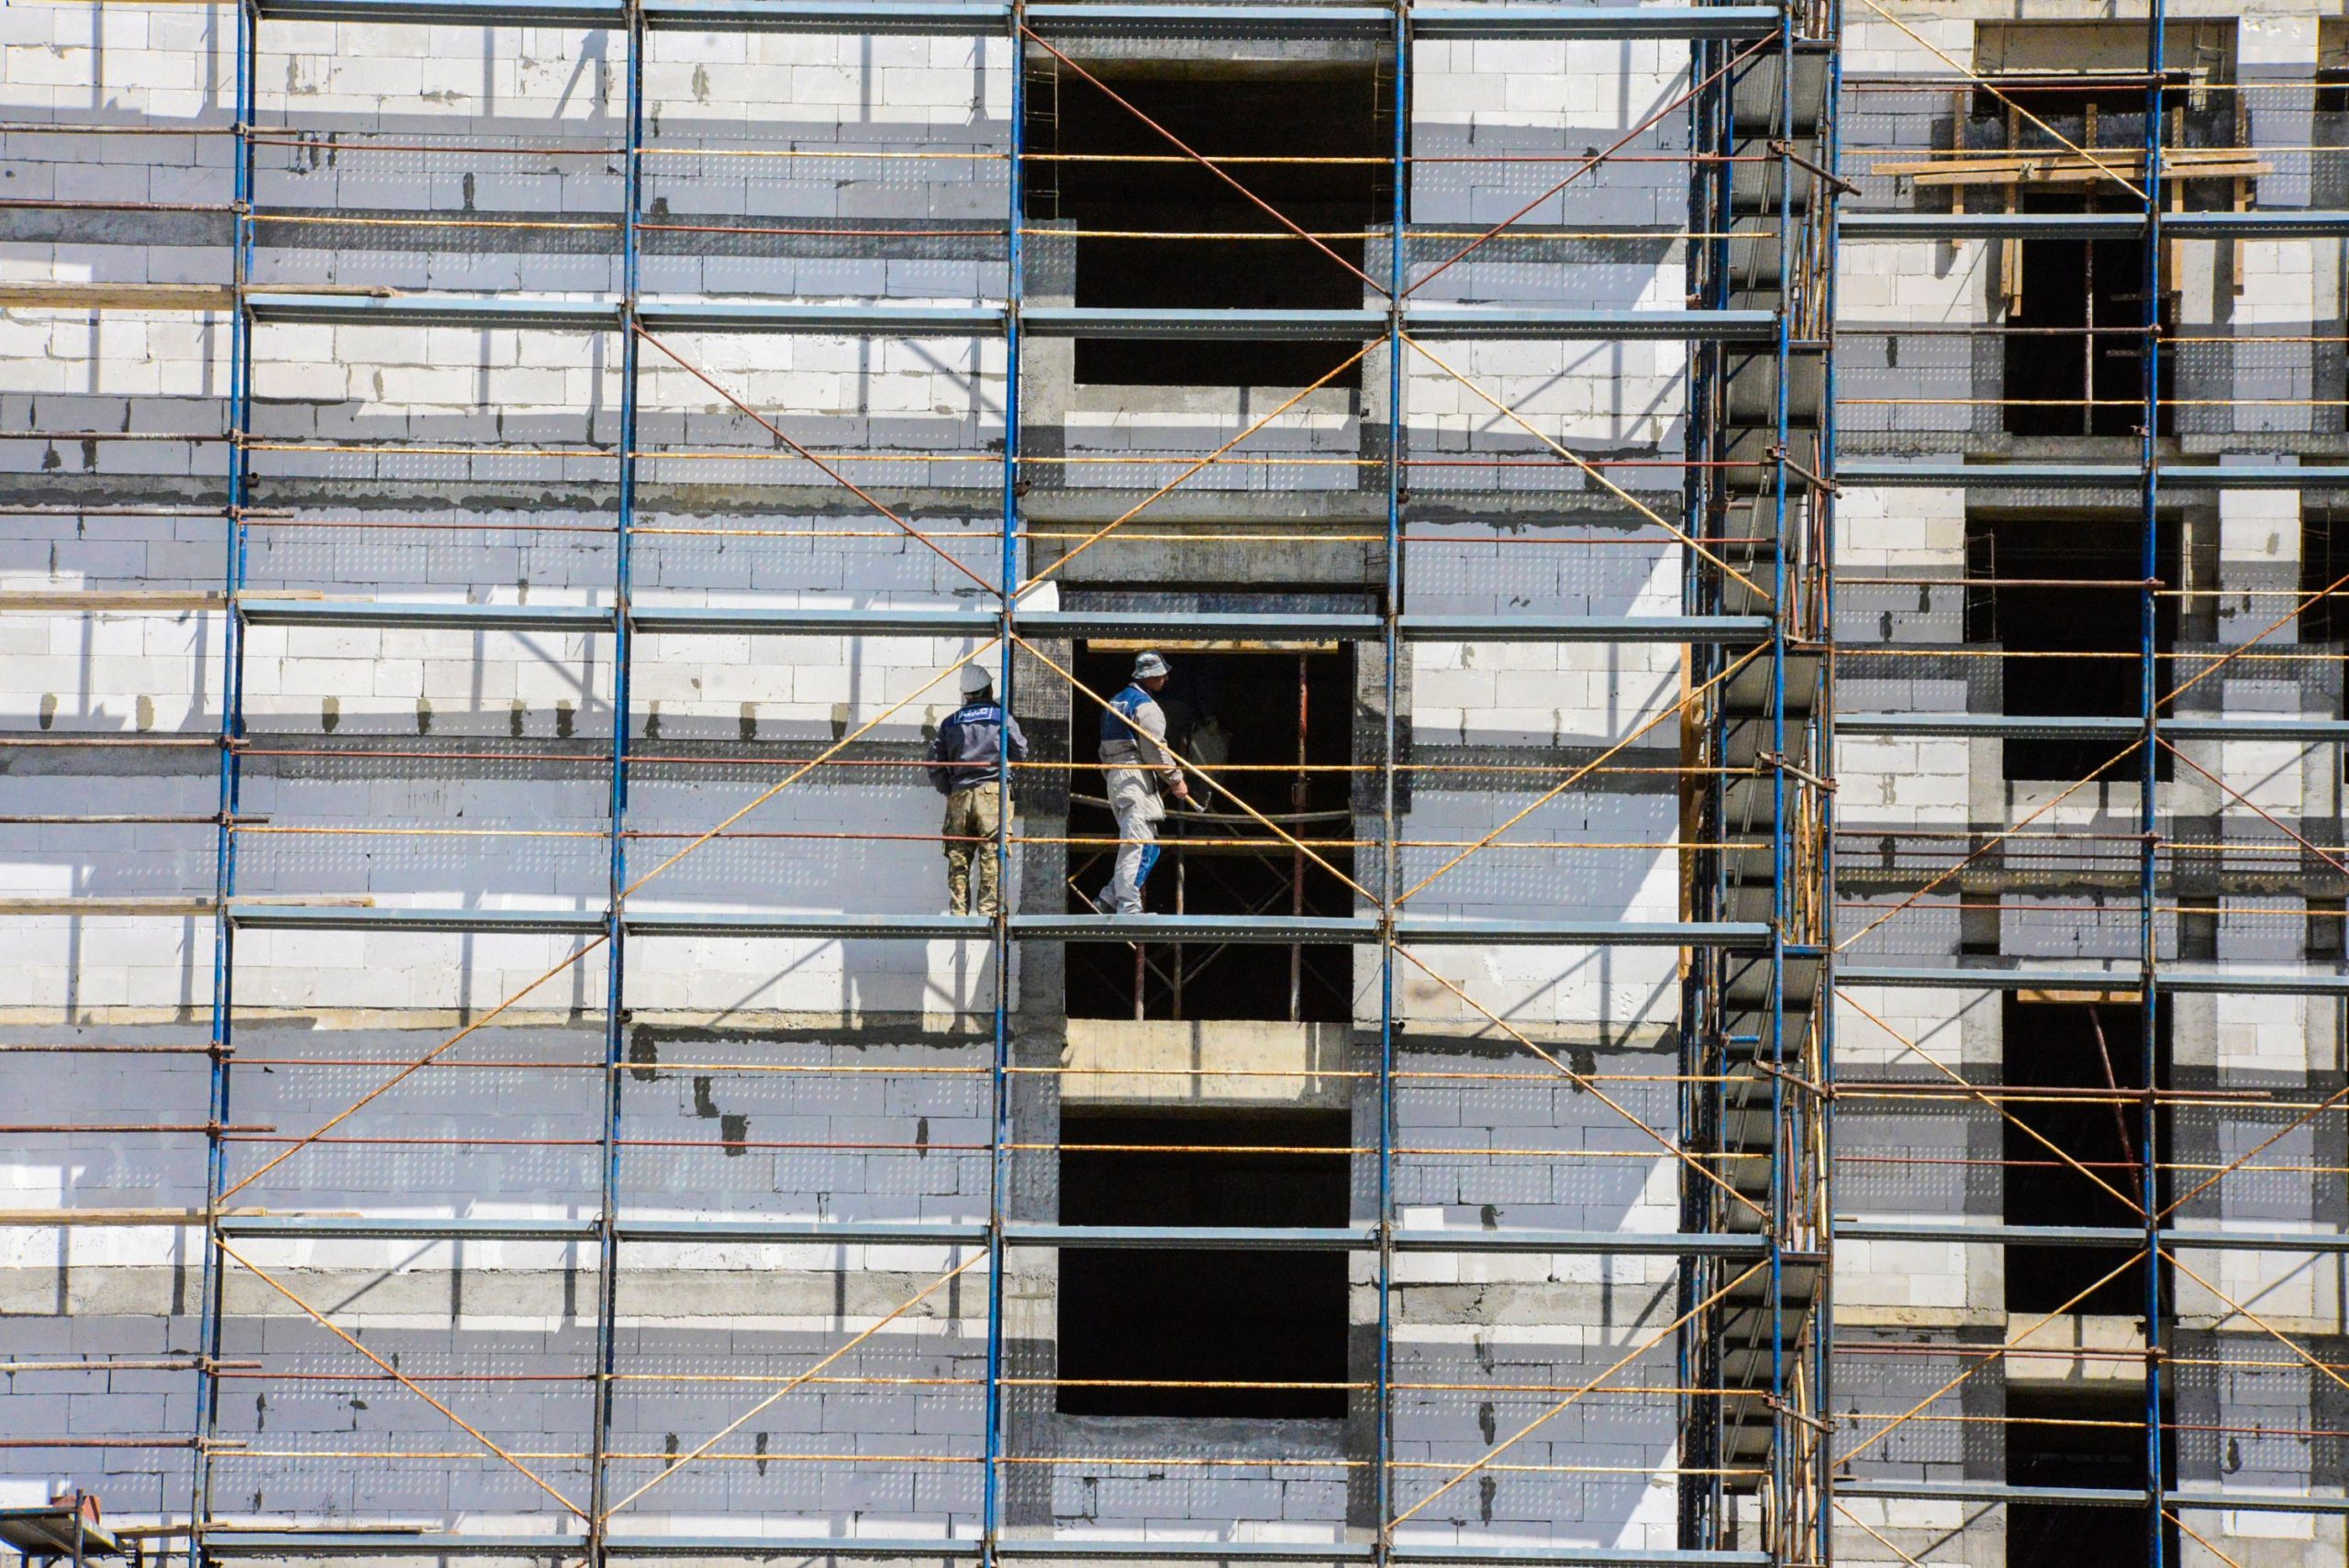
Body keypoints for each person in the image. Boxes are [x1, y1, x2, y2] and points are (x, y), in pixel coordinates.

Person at [1097, 650, 1193, 915]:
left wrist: (1113, 775)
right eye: (1160, 675)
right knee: (1136, 842)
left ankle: (1108, 898)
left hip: (1117, 776)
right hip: (1134, 776)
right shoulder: (1146, 707)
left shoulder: (1115, 703)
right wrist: (1175, 779)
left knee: (1149, 845)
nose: (1165, 679)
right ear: (1148, 678)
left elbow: (1104, 749)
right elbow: (1154, 750)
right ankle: (1128, 906)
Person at [928, 662, 1027, 917]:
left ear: (966, 693)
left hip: (960, 795)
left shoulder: (951, 723)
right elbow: (1021, 751)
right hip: (992, 794)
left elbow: (934, 763)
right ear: (989, 689)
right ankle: (987, 911)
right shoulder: (1000, 717)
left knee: (958, 857)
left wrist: (950, 789)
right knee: (992, 853)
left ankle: (959, 912)